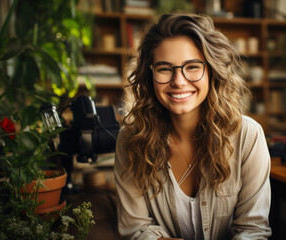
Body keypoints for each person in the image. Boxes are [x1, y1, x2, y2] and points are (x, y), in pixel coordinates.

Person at [114, 13, 272, 240]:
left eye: (192, 66)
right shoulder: (130, 140)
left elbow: (253, 231)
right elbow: (135, 229)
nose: (178, 81)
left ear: (212, 71)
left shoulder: (248, 136)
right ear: (150, 75)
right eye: (164, 68)